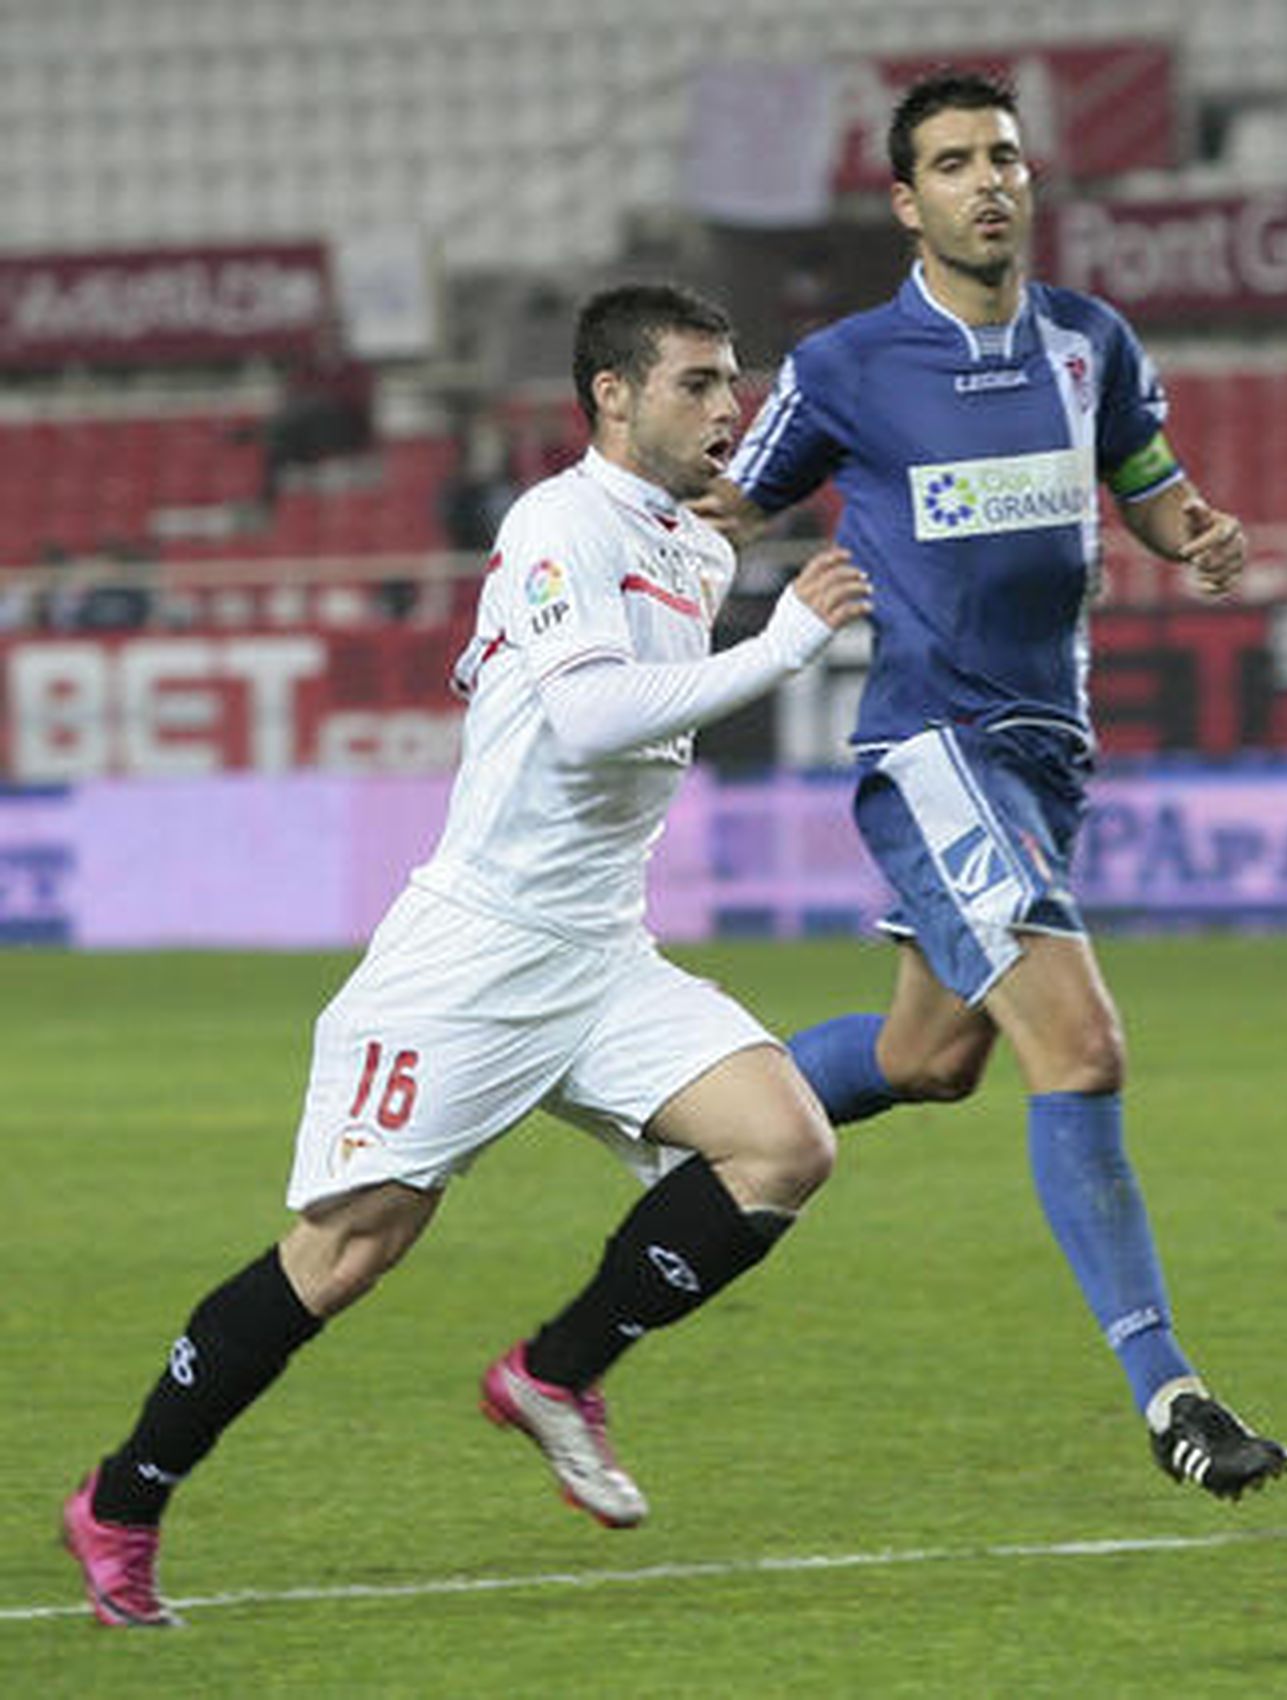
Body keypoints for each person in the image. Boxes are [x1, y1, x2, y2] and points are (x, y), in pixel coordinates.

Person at [61, 283, 872, 1629]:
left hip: (601, 953)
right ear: (612, 393)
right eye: (698, 383)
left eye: (734, 382)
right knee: (349, 1251)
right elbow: (587, 717)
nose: (728, 408)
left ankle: (554, 1374)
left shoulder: (695, 549)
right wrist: (785, 649)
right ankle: (124, 1501)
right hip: (477, 954)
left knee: (783, 1143)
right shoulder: (556, 521)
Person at [697, 71, 1287, 1500]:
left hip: (1044, 752)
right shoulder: (846, 366)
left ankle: (694, 1113)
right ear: (907, 203)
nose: (988, 181)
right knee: (1079, 1050)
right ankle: (1172, 1395)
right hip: (932, 746)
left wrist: (1192, 532)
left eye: (1005, 158)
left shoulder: (1092, 342)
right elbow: (729, 499)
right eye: (954, 162)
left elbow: (1146, 484)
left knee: (927, 1060)